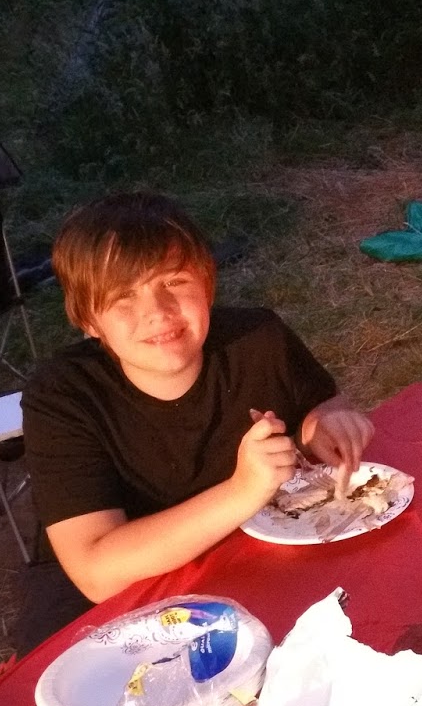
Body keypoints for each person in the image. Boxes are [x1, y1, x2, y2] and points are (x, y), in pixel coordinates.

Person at [21, 192, 373, 623]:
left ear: (206, 285)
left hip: (245, 564)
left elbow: (320, 405)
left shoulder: (258, 339)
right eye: (123, 295)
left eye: (173, 282)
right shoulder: (63, 395)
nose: (157, 311)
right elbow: (97, 572)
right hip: (112, 610)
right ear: (89, 320)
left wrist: (327, 424)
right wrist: (243, 491)